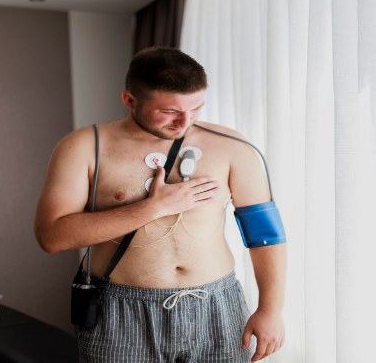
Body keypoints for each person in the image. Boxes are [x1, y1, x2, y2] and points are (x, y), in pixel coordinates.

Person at [35, 46, 286, 362]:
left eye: (196, 108)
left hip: (216, 308)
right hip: (120, 312)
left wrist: (270, 310)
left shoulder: (233, 147)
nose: (185, 122)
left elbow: (266, 234)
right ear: (130, 100)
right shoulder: (85, 147)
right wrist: (152, 207)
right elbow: (52, 236)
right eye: (169, 111)